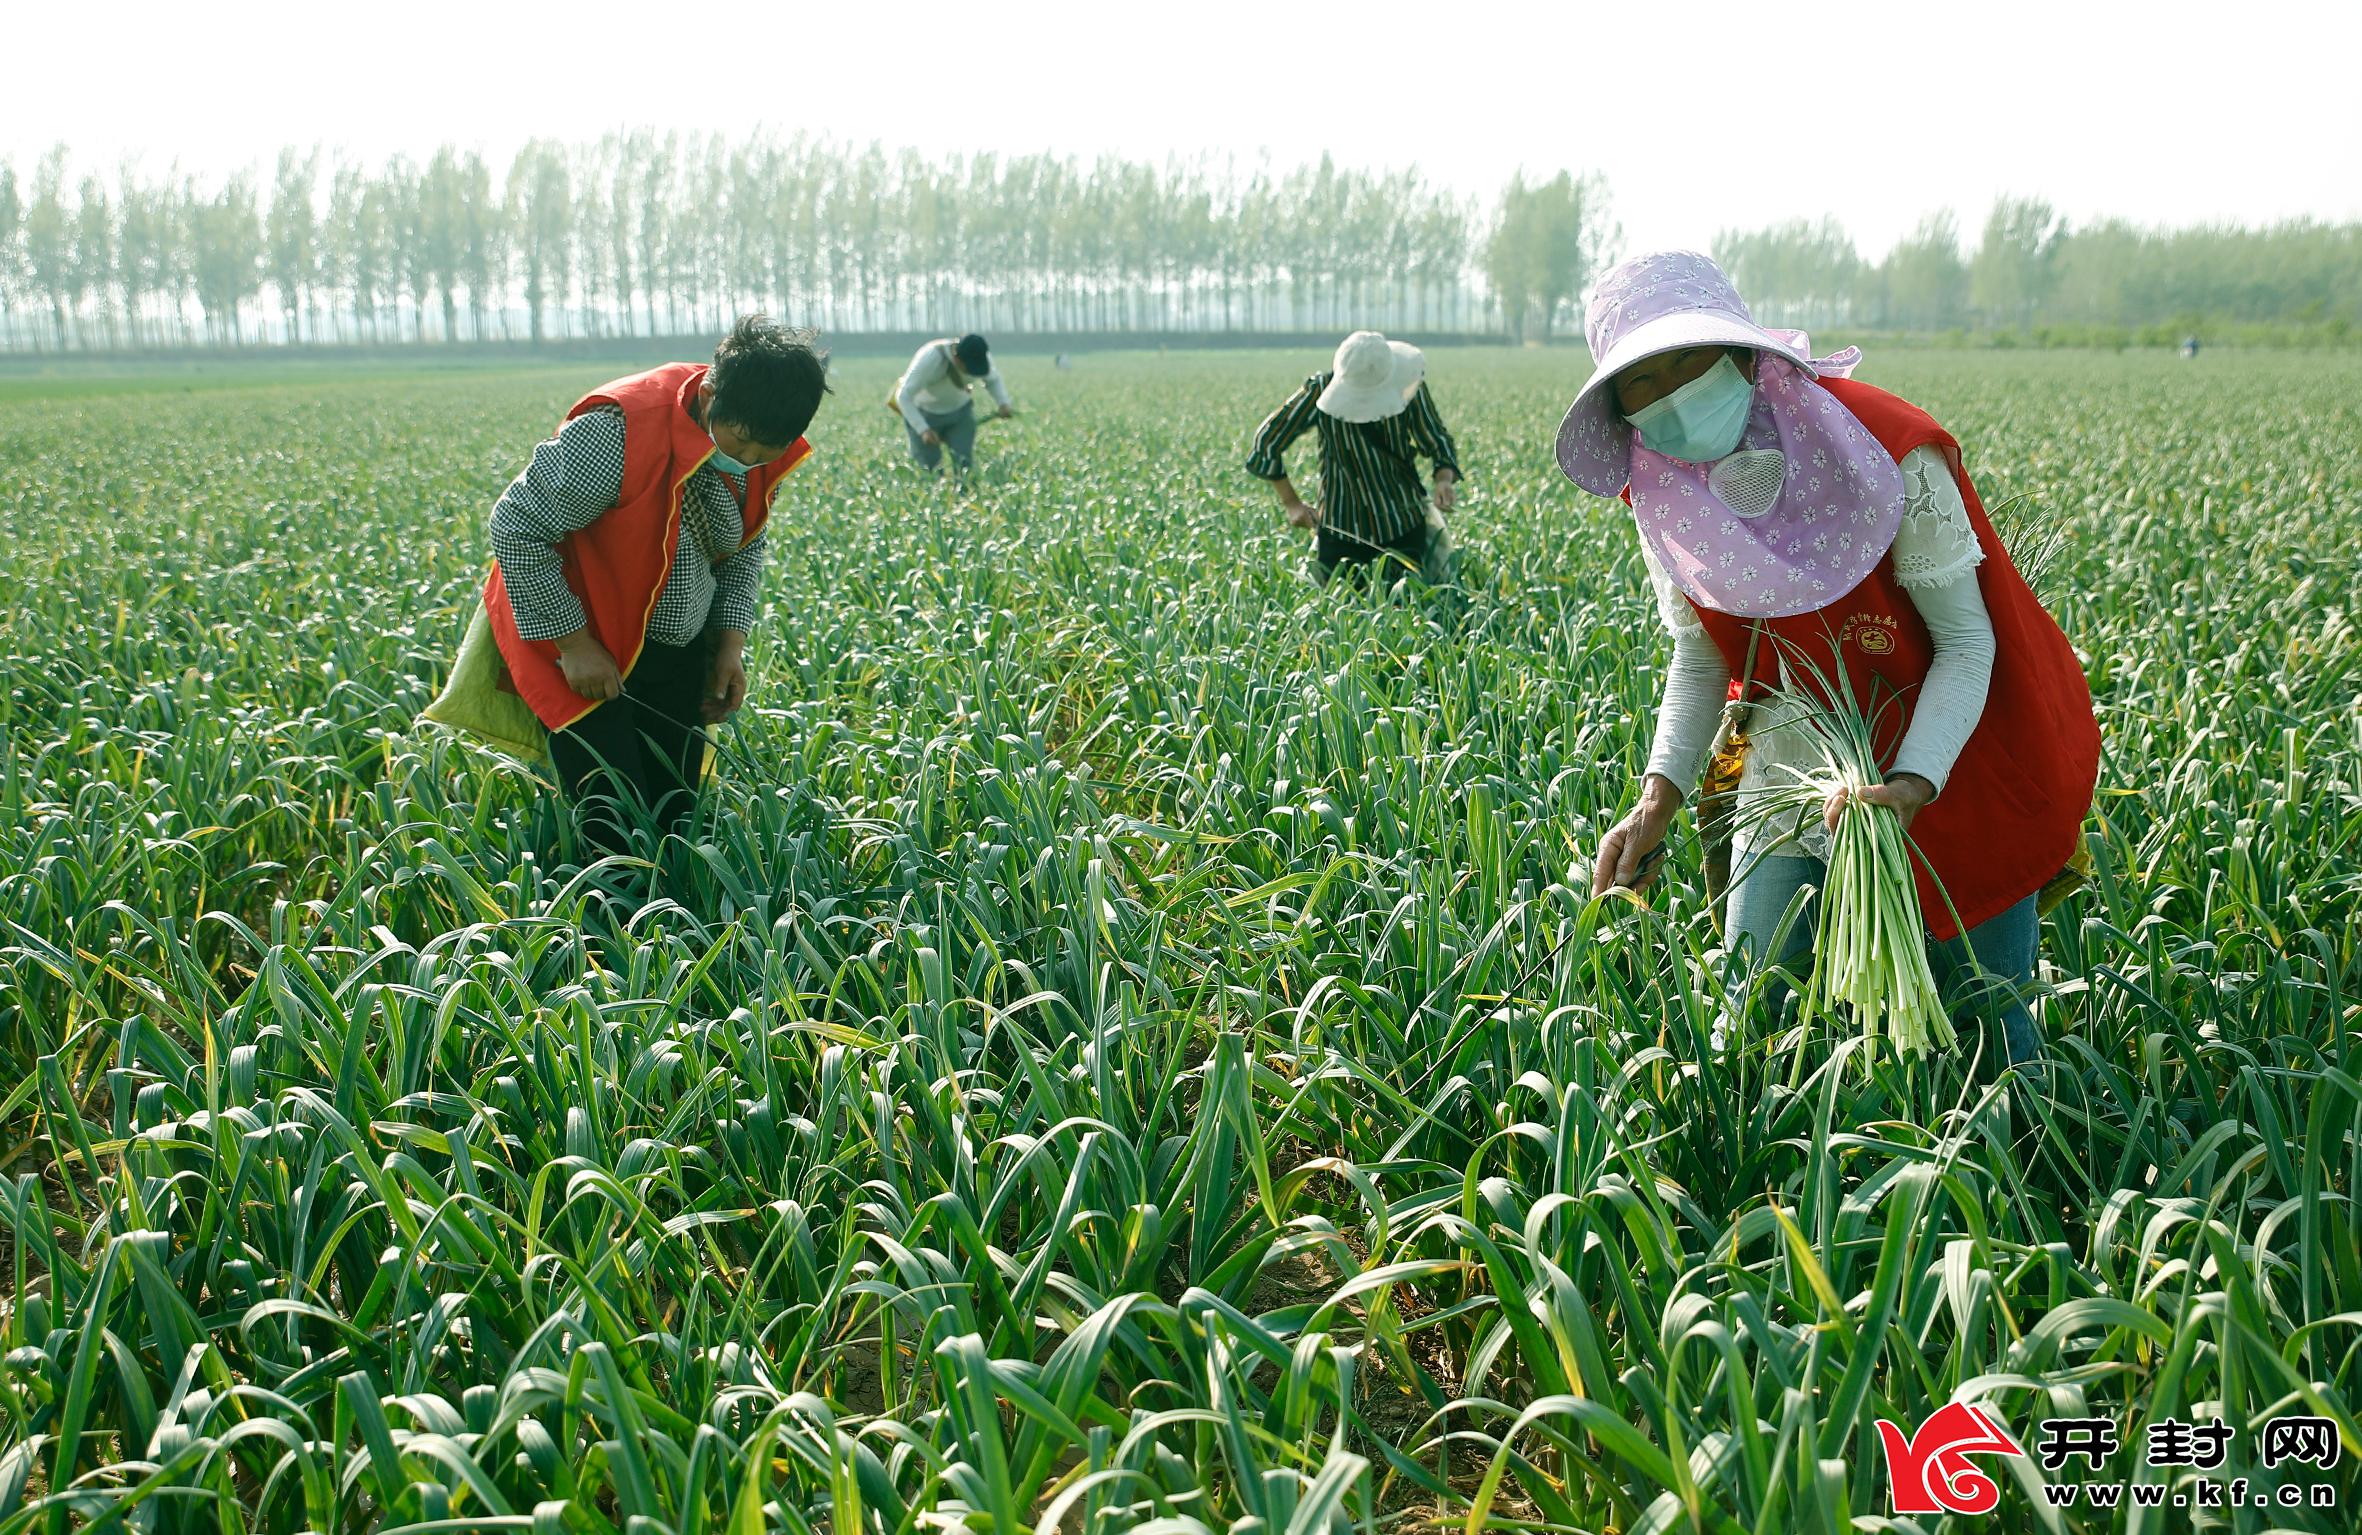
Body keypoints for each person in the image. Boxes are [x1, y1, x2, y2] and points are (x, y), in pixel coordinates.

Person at [1568, 251, 2098, 1067]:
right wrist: (1658, 798)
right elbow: (1702, 653)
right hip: (1789, 754)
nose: (1670, 392)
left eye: (1687, 358)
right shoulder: (1660, 487)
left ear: (1741, 351)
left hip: (1953, 746)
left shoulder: (1884, 446)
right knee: (1754, 1009)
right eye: (1643, 380)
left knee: (1987, 1022)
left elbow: (1965, 642)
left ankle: (2026, 1168)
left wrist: (1915, 781)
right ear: (1619, 403)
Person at [484, 315, 830, 862]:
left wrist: (729, 647)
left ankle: (673, 931)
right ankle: (603, 935)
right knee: (613, 818)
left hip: (674, 638)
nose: (748, 463)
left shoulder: (763, 439)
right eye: (739, 444)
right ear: (711, 395)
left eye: (764, 454)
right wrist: (573, 644)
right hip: (585, 629)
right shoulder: (618, 432)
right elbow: (516, 527)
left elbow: (745, 548)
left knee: (675, 809)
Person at [1246, 331, 1461, 586]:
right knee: (1344, 615)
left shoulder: (1408, 385)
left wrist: (1443, 480)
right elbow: (1266, 442)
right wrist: (1291, 503)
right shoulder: (1320, 391)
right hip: (1342, 531)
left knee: (1406, 610)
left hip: (1401, 525)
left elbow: (1437, 440)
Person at [891, 333, 1013, 473]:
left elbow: (993, 380)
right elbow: (903, 396)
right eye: (969, 369)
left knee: (964, 464)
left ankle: (963, 492)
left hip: (960, 414)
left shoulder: (980, 357)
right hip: (925, 414)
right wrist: (923, 429)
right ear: (956, 358)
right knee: (930, 468)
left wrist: (1003, 403)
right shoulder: (931, 358)